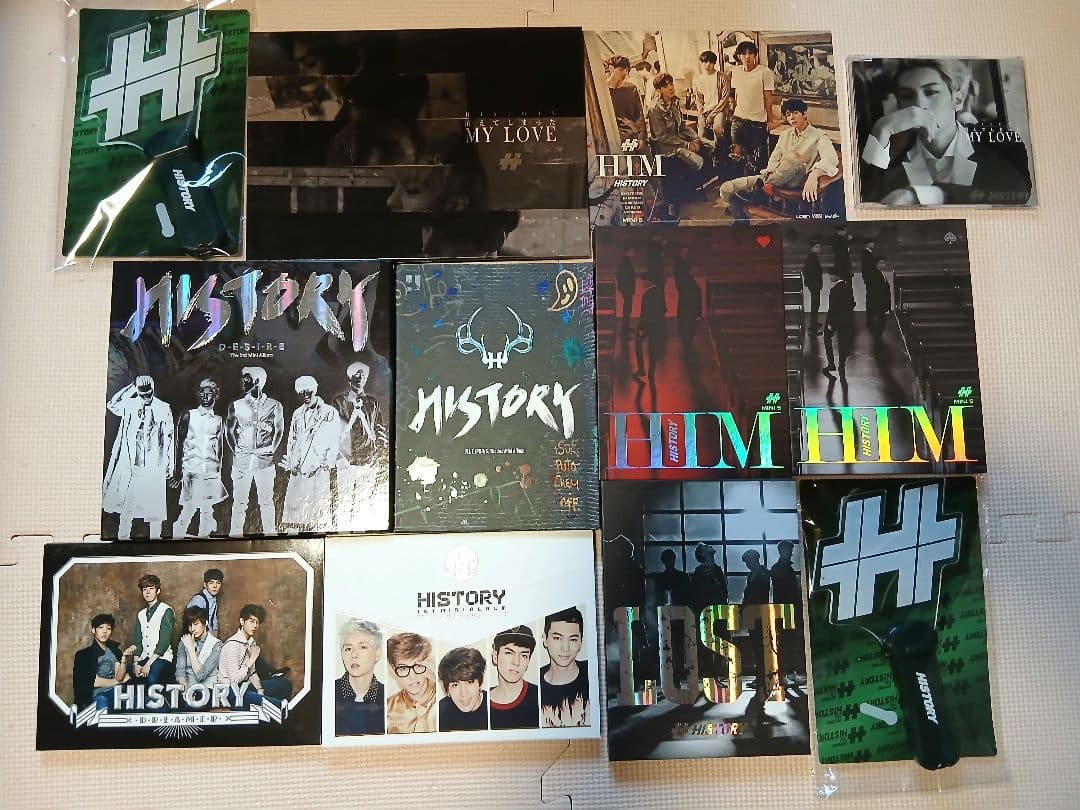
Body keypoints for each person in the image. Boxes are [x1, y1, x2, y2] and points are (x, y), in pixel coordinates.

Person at [859, 59, 1032, 205]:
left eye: (931, 92)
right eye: (907, 96)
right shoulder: (893, 159)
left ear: (957, 100)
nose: (919, 105)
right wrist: (881, 129)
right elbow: (865, 202)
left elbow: (1019, 193)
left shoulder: (997, 142)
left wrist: (932, 195)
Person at [715, 98, 838, 218]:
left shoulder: (819, 136)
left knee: (793, 158)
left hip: (798, 180)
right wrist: (770, 172)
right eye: (788, 115)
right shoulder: (785, 135)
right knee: (726, 188)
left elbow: (831, 158)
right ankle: (742, 216)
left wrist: (814, 175)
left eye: (795, 113)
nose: (792, 118)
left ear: (805, 114)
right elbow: (774, 158)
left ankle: (761, 191)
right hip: (775, 178)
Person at [102, 375, 174, 540]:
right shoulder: (130, 405)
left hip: (153, 465)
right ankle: (123, 541)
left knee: (154, 509)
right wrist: (131, 387)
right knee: (127, 509)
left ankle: (155, 542)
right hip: (131, 466)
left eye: (149, 393)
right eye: (142, 393)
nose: (146, 396)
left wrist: (169, 465)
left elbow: (169, 438)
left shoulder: (163, 408)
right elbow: (112, 404)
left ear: (153, 389)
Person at [226, 366, 284, 536]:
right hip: (241, 462)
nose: (243, 382)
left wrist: (271, 450)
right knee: (239, 502)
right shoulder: (236, 405)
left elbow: (279, 429)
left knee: (267, 500)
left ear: (257, 381)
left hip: (265, 462)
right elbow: (228, 431)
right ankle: (234, 536)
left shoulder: (274, 405)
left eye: (247, 379)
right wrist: (236, 452)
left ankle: (270, 535)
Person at [331, 360, 388, 528]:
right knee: (344, 503)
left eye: (363, 375)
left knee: (365, 503)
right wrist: (341, 458)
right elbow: (333, 432)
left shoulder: (372, 402)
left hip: (369, 460)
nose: (360, 378)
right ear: (349, 378)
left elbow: (379, 429)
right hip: (346, 461)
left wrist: (379, 454)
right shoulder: (339, 402)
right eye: (356, 374)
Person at [280, 375, 340, 532]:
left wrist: (326, 463)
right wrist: (291, 460)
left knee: (317, 508)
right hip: (299, 466)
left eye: (308, 392)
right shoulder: (297, 413)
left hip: (318, 466)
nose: (305, 396)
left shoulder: (329, 412)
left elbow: (334, 440)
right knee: (296, 509)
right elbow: (292, 439)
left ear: (314, 390)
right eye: (302, 393)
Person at [171, 378, 227, 538]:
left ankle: (204, 537)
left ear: (215, 395)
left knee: (207, 508)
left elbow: (219, 448)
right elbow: (178, 444)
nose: (205, 396)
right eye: (202, 393)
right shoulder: (189, 415)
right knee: (189, 507)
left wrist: (218, 471)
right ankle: (177, 534)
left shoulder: (218, 420)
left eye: (209, 393)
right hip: (191, 469)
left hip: (210, 470)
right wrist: (178, 471)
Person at [217, 603, 292, 707]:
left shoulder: (251, 642)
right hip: (230, 692)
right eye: (251, 621)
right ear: (242, 621)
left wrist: (259, 689)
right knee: (279, 705)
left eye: (257, 622)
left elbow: (252, 673)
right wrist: (252, 659)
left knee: (285, 684)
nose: (255, 625)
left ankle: (261, 701)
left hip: (245, 687)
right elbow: (234, 681)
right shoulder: (232, 645)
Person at [647, 72, 714, 172]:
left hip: (680, 140)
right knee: (698, 161)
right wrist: (687, 144)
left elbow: (682, 127)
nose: (670, 88)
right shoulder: (654, 109)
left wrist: (695, 138)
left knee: (712, 145)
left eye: (671, 84)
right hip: (667, 148)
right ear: (658, 90)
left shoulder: (675, 102)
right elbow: (662, 137)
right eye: (665, 86)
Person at [729, 41, 777, 172]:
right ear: (739, 56)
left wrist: (770, 119)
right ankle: (739, 183)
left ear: (755, 55)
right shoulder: (735, 71)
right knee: (736, 156)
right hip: (738, 119)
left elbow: (768, 97)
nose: (747, 56)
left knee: (755, 161)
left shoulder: (764, 72)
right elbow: (736, 94)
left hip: (757, 122)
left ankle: (755, 183)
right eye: (743, 53)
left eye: (750, 53)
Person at [539, 607, 590, 728]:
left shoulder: (593, 673)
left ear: (581, 642)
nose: (565, 648)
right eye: (557, 638)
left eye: (573, 639)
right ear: (545, 639)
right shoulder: (534, 684)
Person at [72, 613, 135, 710]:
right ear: (93, 630)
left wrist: (124, 659)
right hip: (98, 695)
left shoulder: (115, 651)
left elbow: (119, 676)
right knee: (102, 701)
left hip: (118, 692)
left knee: (146, 701)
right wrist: (117, 682)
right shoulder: (83, 655)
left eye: (108, 628)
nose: (105, 631)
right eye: (101, 627)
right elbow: (92, 682)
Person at [335, 618, 385, 735]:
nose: (354, 655)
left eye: (362, 647)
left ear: (377, 653)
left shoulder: (387, 698)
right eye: (348, 649)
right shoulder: (328, 693)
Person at [488, 626, 540, 730]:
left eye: (524, 655)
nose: (516, 662)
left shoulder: (539, 697)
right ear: (495, 656)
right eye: (509, 653)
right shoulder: (479, 701)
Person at [385, 632, 437, 733]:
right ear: (393, 670)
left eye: (418, 666)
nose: (412, 676)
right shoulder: (387, 708)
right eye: (403, 668)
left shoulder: (443, 700)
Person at [129, 574, 175, 686]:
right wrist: (136, 664)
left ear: (158, 591)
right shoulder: (141, 614)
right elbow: (138, 642)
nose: (147, 592)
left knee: (151, 680)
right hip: (144, 657)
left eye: (151, 588)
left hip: (162, 658)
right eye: (145, 589)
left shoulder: (166, 610)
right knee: (130, 679)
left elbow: (164, 643)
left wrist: (148, 665)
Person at [437, 647, 489, 731]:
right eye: (455, 685)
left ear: (479, 682)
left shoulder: (492, 705)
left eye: (470, 682)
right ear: (447, 689)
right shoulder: (440, 712)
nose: (464, 693)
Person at [632, 264, 666, 383]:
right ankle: (651, 371)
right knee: (653, 348)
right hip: (658, 325)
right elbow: (663, 308)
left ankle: (641, 369)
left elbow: (644, 313)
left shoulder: (646, 295)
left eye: (644, 280)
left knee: (638, 344)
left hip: (647, 325)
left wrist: (641, 328)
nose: (643, 282)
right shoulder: (660, 292)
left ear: (648, 281)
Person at [174, 606, 222, 690]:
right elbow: (180, 672)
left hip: (209, 689)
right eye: (190, 625)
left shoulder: (217, 644)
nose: (192, 629)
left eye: (196, 624)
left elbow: (201, 676)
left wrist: (191, 649)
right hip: (189, 688)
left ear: (205, 623)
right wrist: (185, 688)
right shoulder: (184, 642)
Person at [605, 54, 647, 147]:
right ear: (611, 68)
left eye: (627, 70)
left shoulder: (631, 88)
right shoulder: (603, 91)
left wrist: (641, 137)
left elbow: (639, 114)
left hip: (634, 134)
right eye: (621, 69)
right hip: (617, 137)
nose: (625, 73)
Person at [822, 270, 856, 380]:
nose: (830, 277)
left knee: (827, 337)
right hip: (846, 320)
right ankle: (841, 365)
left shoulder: (834, 290)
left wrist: (830, 323)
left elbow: (832, 308)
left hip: (835, 320)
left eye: (831, 275)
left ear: (837, 276)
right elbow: (852, 303)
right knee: (843, 343)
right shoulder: (848, 287)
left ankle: (831, 363)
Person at [693, 50, 732, 142]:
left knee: (717, 129)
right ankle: (708, 150)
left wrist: (712, 115)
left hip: (720, 110)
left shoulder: (722, 77)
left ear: (714, 63)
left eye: (710, 62)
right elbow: (698, 99)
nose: (708, 65)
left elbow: (724, 98)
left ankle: (719, 149)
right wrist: (701, 113)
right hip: (705, 110)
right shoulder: (698, 79)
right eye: (705, 62)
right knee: (700, 135)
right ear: (701, 63)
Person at [672, 247, 702, 354]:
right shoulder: (688, 282)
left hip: (690, 312)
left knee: (689, 331)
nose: (697, 271)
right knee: (688, 330)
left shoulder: (692, 282)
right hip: (689, 312)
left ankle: (688, 343)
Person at [690, 543, 728, 613]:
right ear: (703, 553)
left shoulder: (709, 569)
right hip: (711, 609)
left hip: (711, 609)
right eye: (706, 546)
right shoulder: (704, 570)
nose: (710, 546)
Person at [186, 568, 224, 637]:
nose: (215, 586)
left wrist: (214, 640)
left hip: (207, 636)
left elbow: (214, 624)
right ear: (205, 585)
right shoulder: (199, 600)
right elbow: (193, 625)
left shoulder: (213, 599)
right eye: (211, 583)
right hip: (194, 636)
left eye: (218, 583)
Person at [864, 255, 893, 340]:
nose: (883, 264)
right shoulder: (875, 274)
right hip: (879, 307)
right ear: (876, 264)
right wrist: (884, 308)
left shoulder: (880, 273)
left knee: (880, 327)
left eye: (884, 263)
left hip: (881, 306)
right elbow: (876, 293)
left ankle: (878, 341)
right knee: (878, 328)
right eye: (881, 263)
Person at [770, 541, 801, 606]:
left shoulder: (776, 568)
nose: (791, 554)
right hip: (787, 603)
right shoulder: (785, 568)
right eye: (790, 551)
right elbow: (788, 589)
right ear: (784, 552)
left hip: (784, 604)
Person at [615, 246, 637, 337]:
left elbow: (619, 275)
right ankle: (625, 328)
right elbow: (626, 276)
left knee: (627, 308)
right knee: (627, 308)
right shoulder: (626, 262)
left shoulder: (625, 262)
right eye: (632, 251)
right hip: (627, 288)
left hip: (626, 288)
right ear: (628, 252)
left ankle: (626, 327)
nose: (633, 253)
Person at [803, 241, 824, 326]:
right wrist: (812, 283)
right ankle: (813, 324)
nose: (819, 248)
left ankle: (814, 322)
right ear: (812, 248)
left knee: (815, 304)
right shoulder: (812, 257)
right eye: (816, 246)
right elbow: (807, 271)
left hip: (814, 284)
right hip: (814, 284)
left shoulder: (813, 257)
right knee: (815, 304)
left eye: (819, 246)